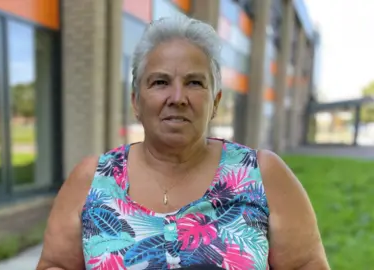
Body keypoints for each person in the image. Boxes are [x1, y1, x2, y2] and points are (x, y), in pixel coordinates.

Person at [36, 15, 329, 270]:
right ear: (136, 102)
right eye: (160, 82)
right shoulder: (91, 179)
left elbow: (307, 266)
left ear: (215, 102)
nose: (177, 98)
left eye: (194, 83)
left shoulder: (262, 174)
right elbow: (56, 265)